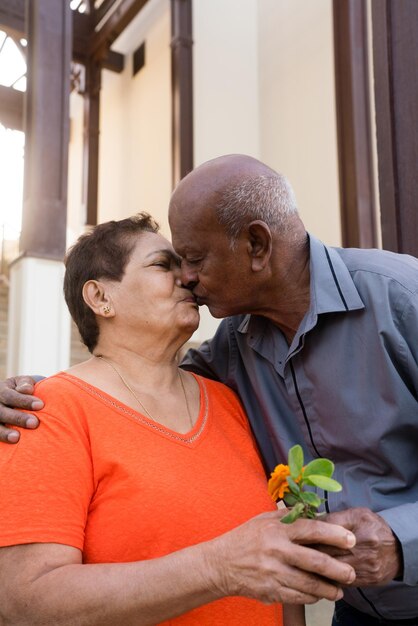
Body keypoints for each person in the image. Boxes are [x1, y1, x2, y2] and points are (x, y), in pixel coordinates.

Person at [2, 153, 417, 624]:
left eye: (193, 260)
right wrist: (36, 390)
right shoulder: (224, 362)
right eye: (168, 264)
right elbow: (23, 602)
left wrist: (403, 540)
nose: (189, 280)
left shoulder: (401, 298)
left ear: (257, 245)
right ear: (100, 297)